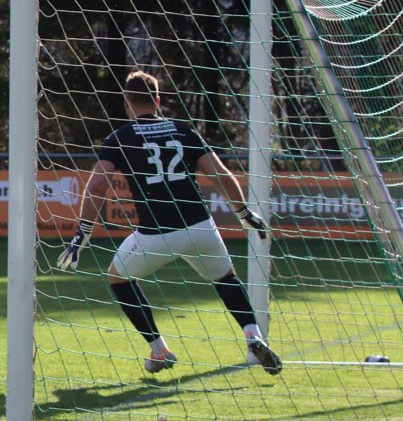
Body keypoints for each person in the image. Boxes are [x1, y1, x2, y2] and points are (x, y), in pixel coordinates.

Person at [57, 70, 282, 376]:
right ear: (158, 100)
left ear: (126, 102)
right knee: (226, 278)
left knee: (118, 279)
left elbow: (97, 187)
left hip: (156, 235)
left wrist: (82, 233)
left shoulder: (120, 137)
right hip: (201, 227)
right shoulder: (184, 131)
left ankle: (159, 349)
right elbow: (220, 175)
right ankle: (253, 335)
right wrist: (244, 214)